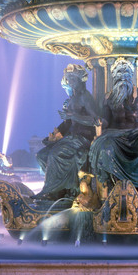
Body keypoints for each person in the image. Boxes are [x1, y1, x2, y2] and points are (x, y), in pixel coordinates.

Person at [89, 58, 138, 189]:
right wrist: (99, 121)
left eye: (126, 73)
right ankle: (112, 186)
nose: (123, 77)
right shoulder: (108, 98)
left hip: (137, 133)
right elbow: (106, 120)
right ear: (114, 77)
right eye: (119, 73)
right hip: (114, 135)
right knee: (105, 149)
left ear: (131, 75)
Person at [36, 64, 100, 200]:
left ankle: (50, 191)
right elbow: (69, 122)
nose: (69, 82)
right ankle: (60, 189)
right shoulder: (73, 98)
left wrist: (72, 116)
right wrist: (58, 132)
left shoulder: (85, 97)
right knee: (42, 155)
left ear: (81, 80)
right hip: (71, 138)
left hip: (82, 138)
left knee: (54, 155)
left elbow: (95, 120)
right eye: (68, 79)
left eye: (72, 79)